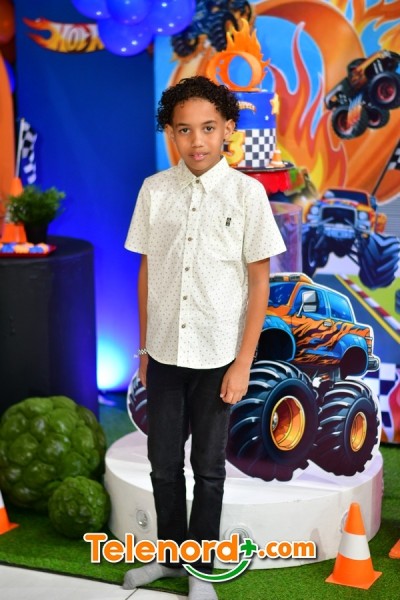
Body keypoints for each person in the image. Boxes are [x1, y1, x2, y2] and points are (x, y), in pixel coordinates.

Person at [123, 76, 286, 599]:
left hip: (219, 357)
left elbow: (259, 283)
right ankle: (171, 559)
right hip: (165, 353)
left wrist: (243, 363)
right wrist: (144, 349)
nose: (196, 141)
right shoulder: (154, 190)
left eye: (208, 128)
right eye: (184, 130)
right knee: (163, 464)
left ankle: (201, 568)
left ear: (228, 130)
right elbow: (147, 272)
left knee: (208, 469)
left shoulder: (248, 194)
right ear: (170, 133)